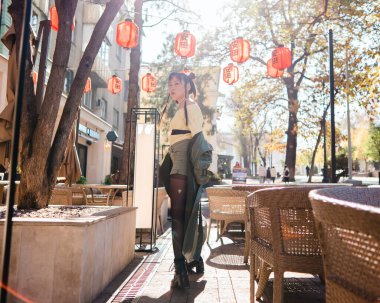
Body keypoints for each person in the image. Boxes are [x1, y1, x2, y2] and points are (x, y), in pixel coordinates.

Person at [161, 71, 210, 289]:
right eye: (170, 84)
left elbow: (198, 143)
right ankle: (189, 261)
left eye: (177, 83)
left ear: (188, 86)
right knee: (182, 217)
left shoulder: (191, 107)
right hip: (177, 162)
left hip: (182, 165)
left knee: (179, 218)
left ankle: (180, 268)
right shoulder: (181, 108)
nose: (172, 87)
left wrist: (196, 175)